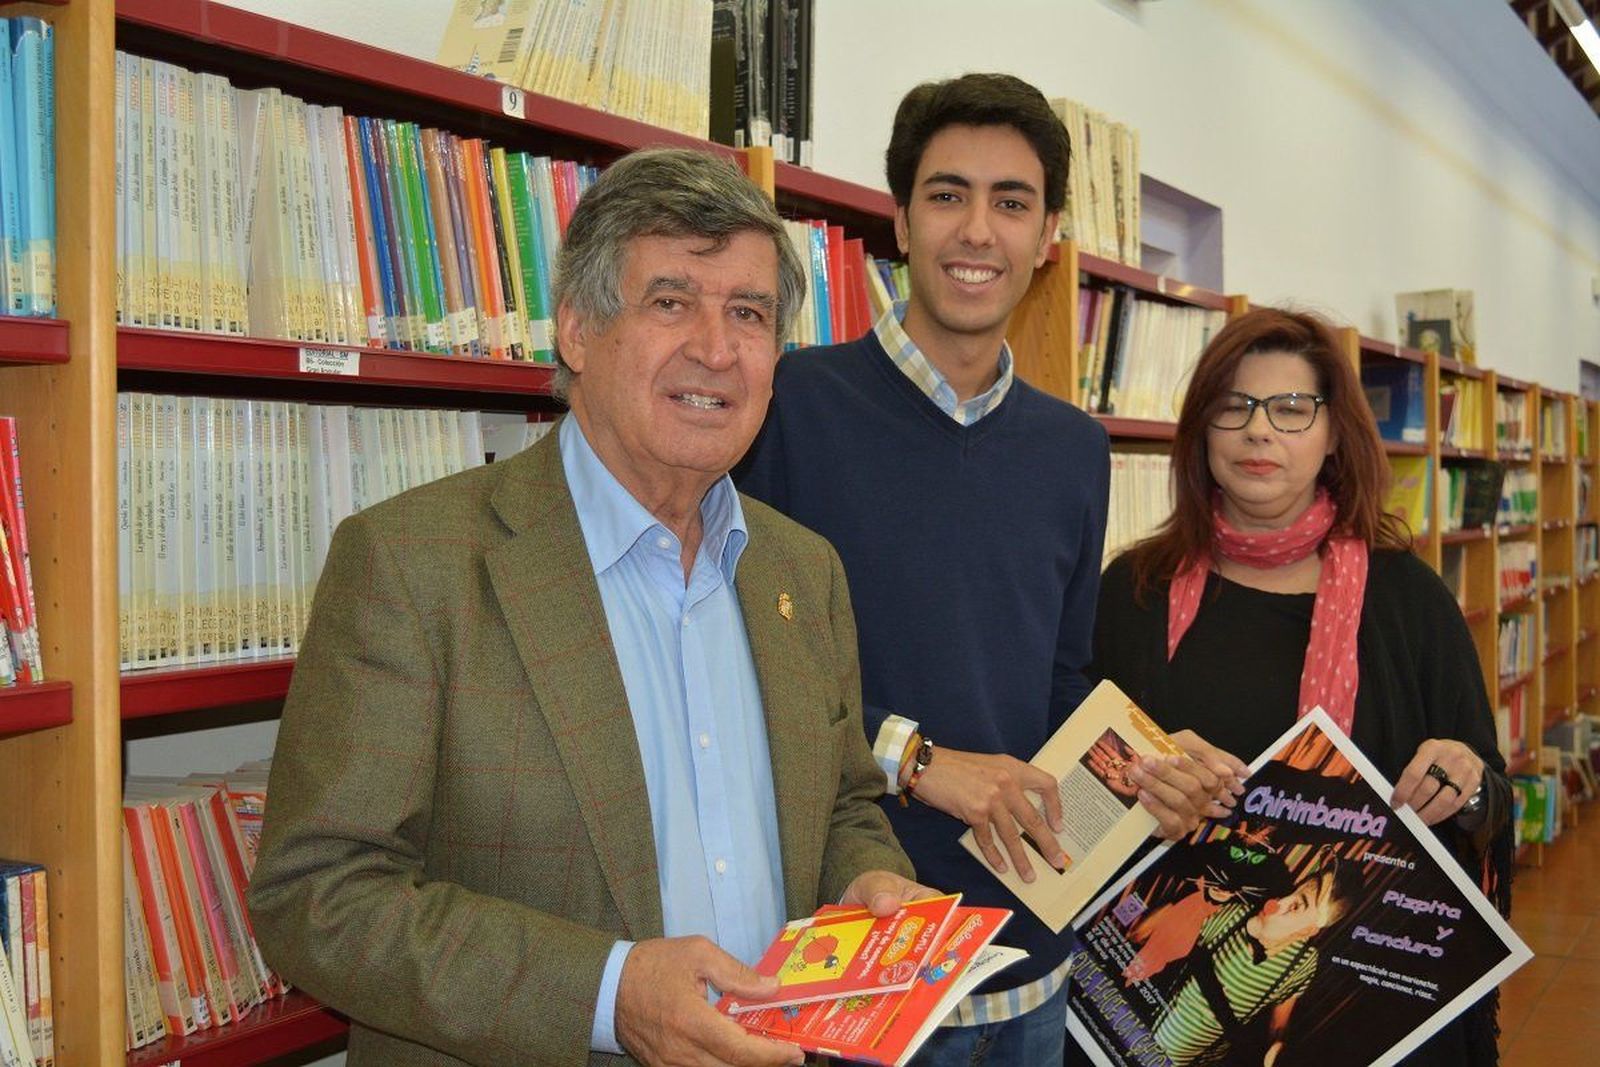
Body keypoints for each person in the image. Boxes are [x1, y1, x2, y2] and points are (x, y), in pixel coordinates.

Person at [248, 148, 927, 1067]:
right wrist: (609, 994)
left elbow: (841, 797)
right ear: (575, 328)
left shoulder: (805, 572)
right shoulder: (413, 565)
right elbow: (318, 896)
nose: (716, 349)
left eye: (749, 313)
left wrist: (869, 880)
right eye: (671, 301)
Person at [737, 73, 1236, 1067]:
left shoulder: (1070, 448)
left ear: (1047, 234)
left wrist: (1143, 756)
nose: (978, 229)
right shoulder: (791, 407)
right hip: (860, 957)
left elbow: (1054, 679)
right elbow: (748, 668)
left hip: (1030, 964)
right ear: (900, 221)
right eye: (946, 193)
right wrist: (916, 759)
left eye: (1011, 202)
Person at [1093, 306, 1513, 1065]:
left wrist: (1468, 785)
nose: (1261, 431)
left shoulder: (1408, 599)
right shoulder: (1134, 590)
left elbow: (1489, 793)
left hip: (1363, 1000)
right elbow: (1083, 793)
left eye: (1292, 409)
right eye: (1234, 407)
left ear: (1332, 437)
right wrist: (1139, 773)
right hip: (1160, 1000)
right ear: (1200, 432)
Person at [1149, 853, 1361, 1066]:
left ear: (1308, 930)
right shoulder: (1234, 914)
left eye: (1297, 905)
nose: (1276, 903)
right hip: (1145, 1032)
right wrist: (1197, 902)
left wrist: (1277, 1046)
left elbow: (1279, 1025)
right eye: (1292, 892)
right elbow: (1147, 934)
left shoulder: (1302, 963)